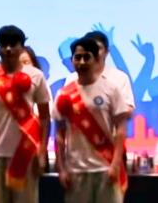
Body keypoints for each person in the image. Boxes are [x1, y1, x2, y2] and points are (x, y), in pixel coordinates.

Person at [0, 25, 51, 203]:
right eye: (3, 45)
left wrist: (41, 153)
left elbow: (45, 118)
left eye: (13, 44)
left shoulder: (36, 76)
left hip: (26, 155)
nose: (8, 49)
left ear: (22, 47)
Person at [54, 37, 130, 203]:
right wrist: (62, 168)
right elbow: (59, 134)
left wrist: (116, 164)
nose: (82, 62)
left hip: (106, 168)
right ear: (72, 60)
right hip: (76, 171)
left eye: (86, 57)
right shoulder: (64, 94)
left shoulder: (111, 89)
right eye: (77, 57)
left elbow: (121, 129)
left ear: (96, 59)